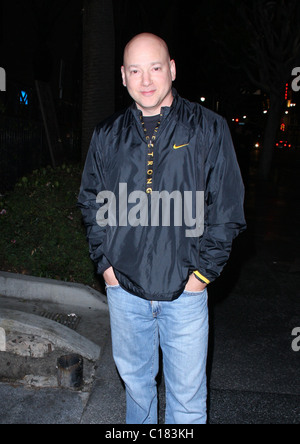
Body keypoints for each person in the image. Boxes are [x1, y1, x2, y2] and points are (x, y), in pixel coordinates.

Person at [78, 33, 246, 424]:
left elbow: (227, 208)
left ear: (171, 69)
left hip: (185, 294)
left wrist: (201, 275)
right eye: (135, 70)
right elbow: (91, 200)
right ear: (123, 76)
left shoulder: (209, 128)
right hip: (125, 293)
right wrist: (106, 265)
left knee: (187, 402)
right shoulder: (107, 135)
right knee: (136, 392)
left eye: (155, 67)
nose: (146, 79)